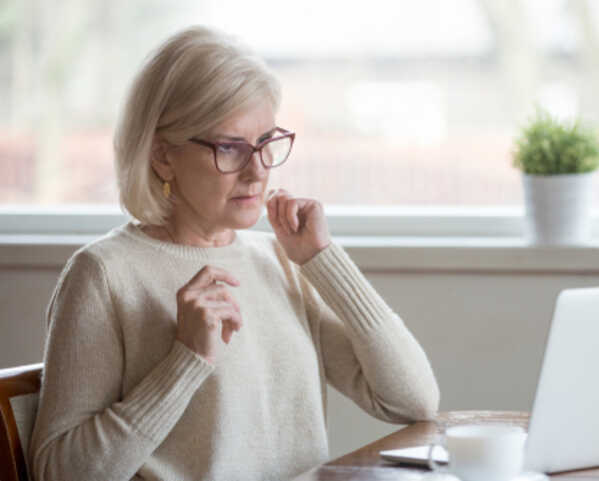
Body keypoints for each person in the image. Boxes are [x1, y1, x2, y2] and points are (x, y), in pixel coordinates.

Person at [28, 25, 440, 481]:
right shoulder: (103, 275)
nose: (256, 172)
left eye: (266, 143)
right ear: (163, 157)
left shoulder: (282, 261)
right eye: (230, 147)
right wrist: (186, 361)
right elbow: (58, 472)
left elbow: (411, 401)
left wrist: (323, 260)